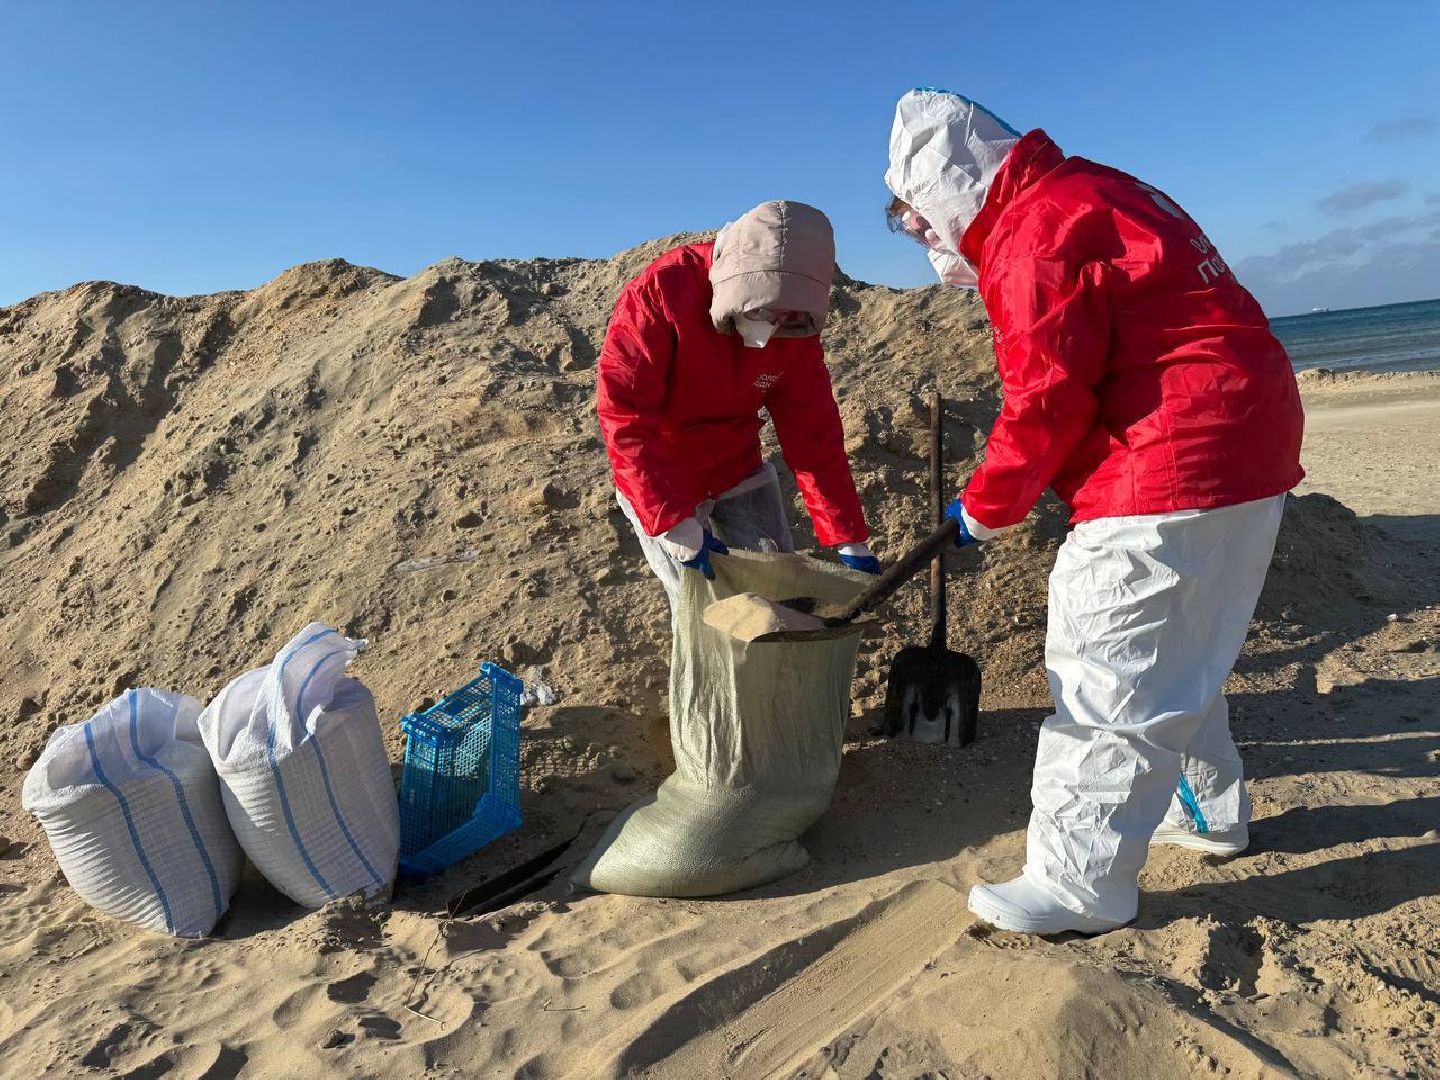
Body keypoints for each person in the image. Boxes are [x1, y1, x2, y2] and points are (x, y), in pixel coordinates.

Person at [883, 88, 1304, 934]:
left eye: (915, 213)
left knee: (1103, 670)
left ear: (953, 183)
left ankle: (1080, 886)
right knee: (1184, 649)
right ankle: (1209, 814)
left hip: (1167, 457)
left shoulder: (1032, 234)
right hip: (1249, 436)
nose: (919, 232)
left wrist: (986, 506)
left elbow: (1043, 398)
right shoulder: (1099, 189)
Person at [597, 200, 877, 618]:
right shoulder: (661, 294)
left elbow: (813, 434)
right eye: (763, 312)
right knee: (701, 606)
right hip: (663, 469)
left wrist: (847, 534)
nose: (773, 328)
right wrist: (672, 520)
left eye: (788, 318)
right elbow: (626, 418)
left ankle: (776, 674)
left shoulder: (798, 330)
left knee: (775, 590)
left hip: (734, 462)